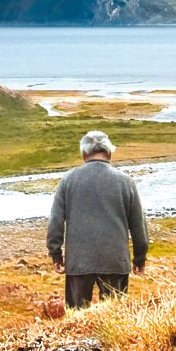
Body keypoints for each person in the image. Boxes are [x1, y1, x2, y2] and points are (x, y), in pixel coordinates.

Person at [46, 129, 148, 308]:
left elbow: (55, 221)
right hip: (115, 260)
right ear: (109, 153)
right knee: (115, 316)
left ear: (84, 154)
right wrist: (140, 258)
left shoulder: (68, 180)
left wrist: (56, 254)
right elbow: (138, 224)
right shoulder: (126, 182)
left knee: (76, 317)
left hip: (78, 261)